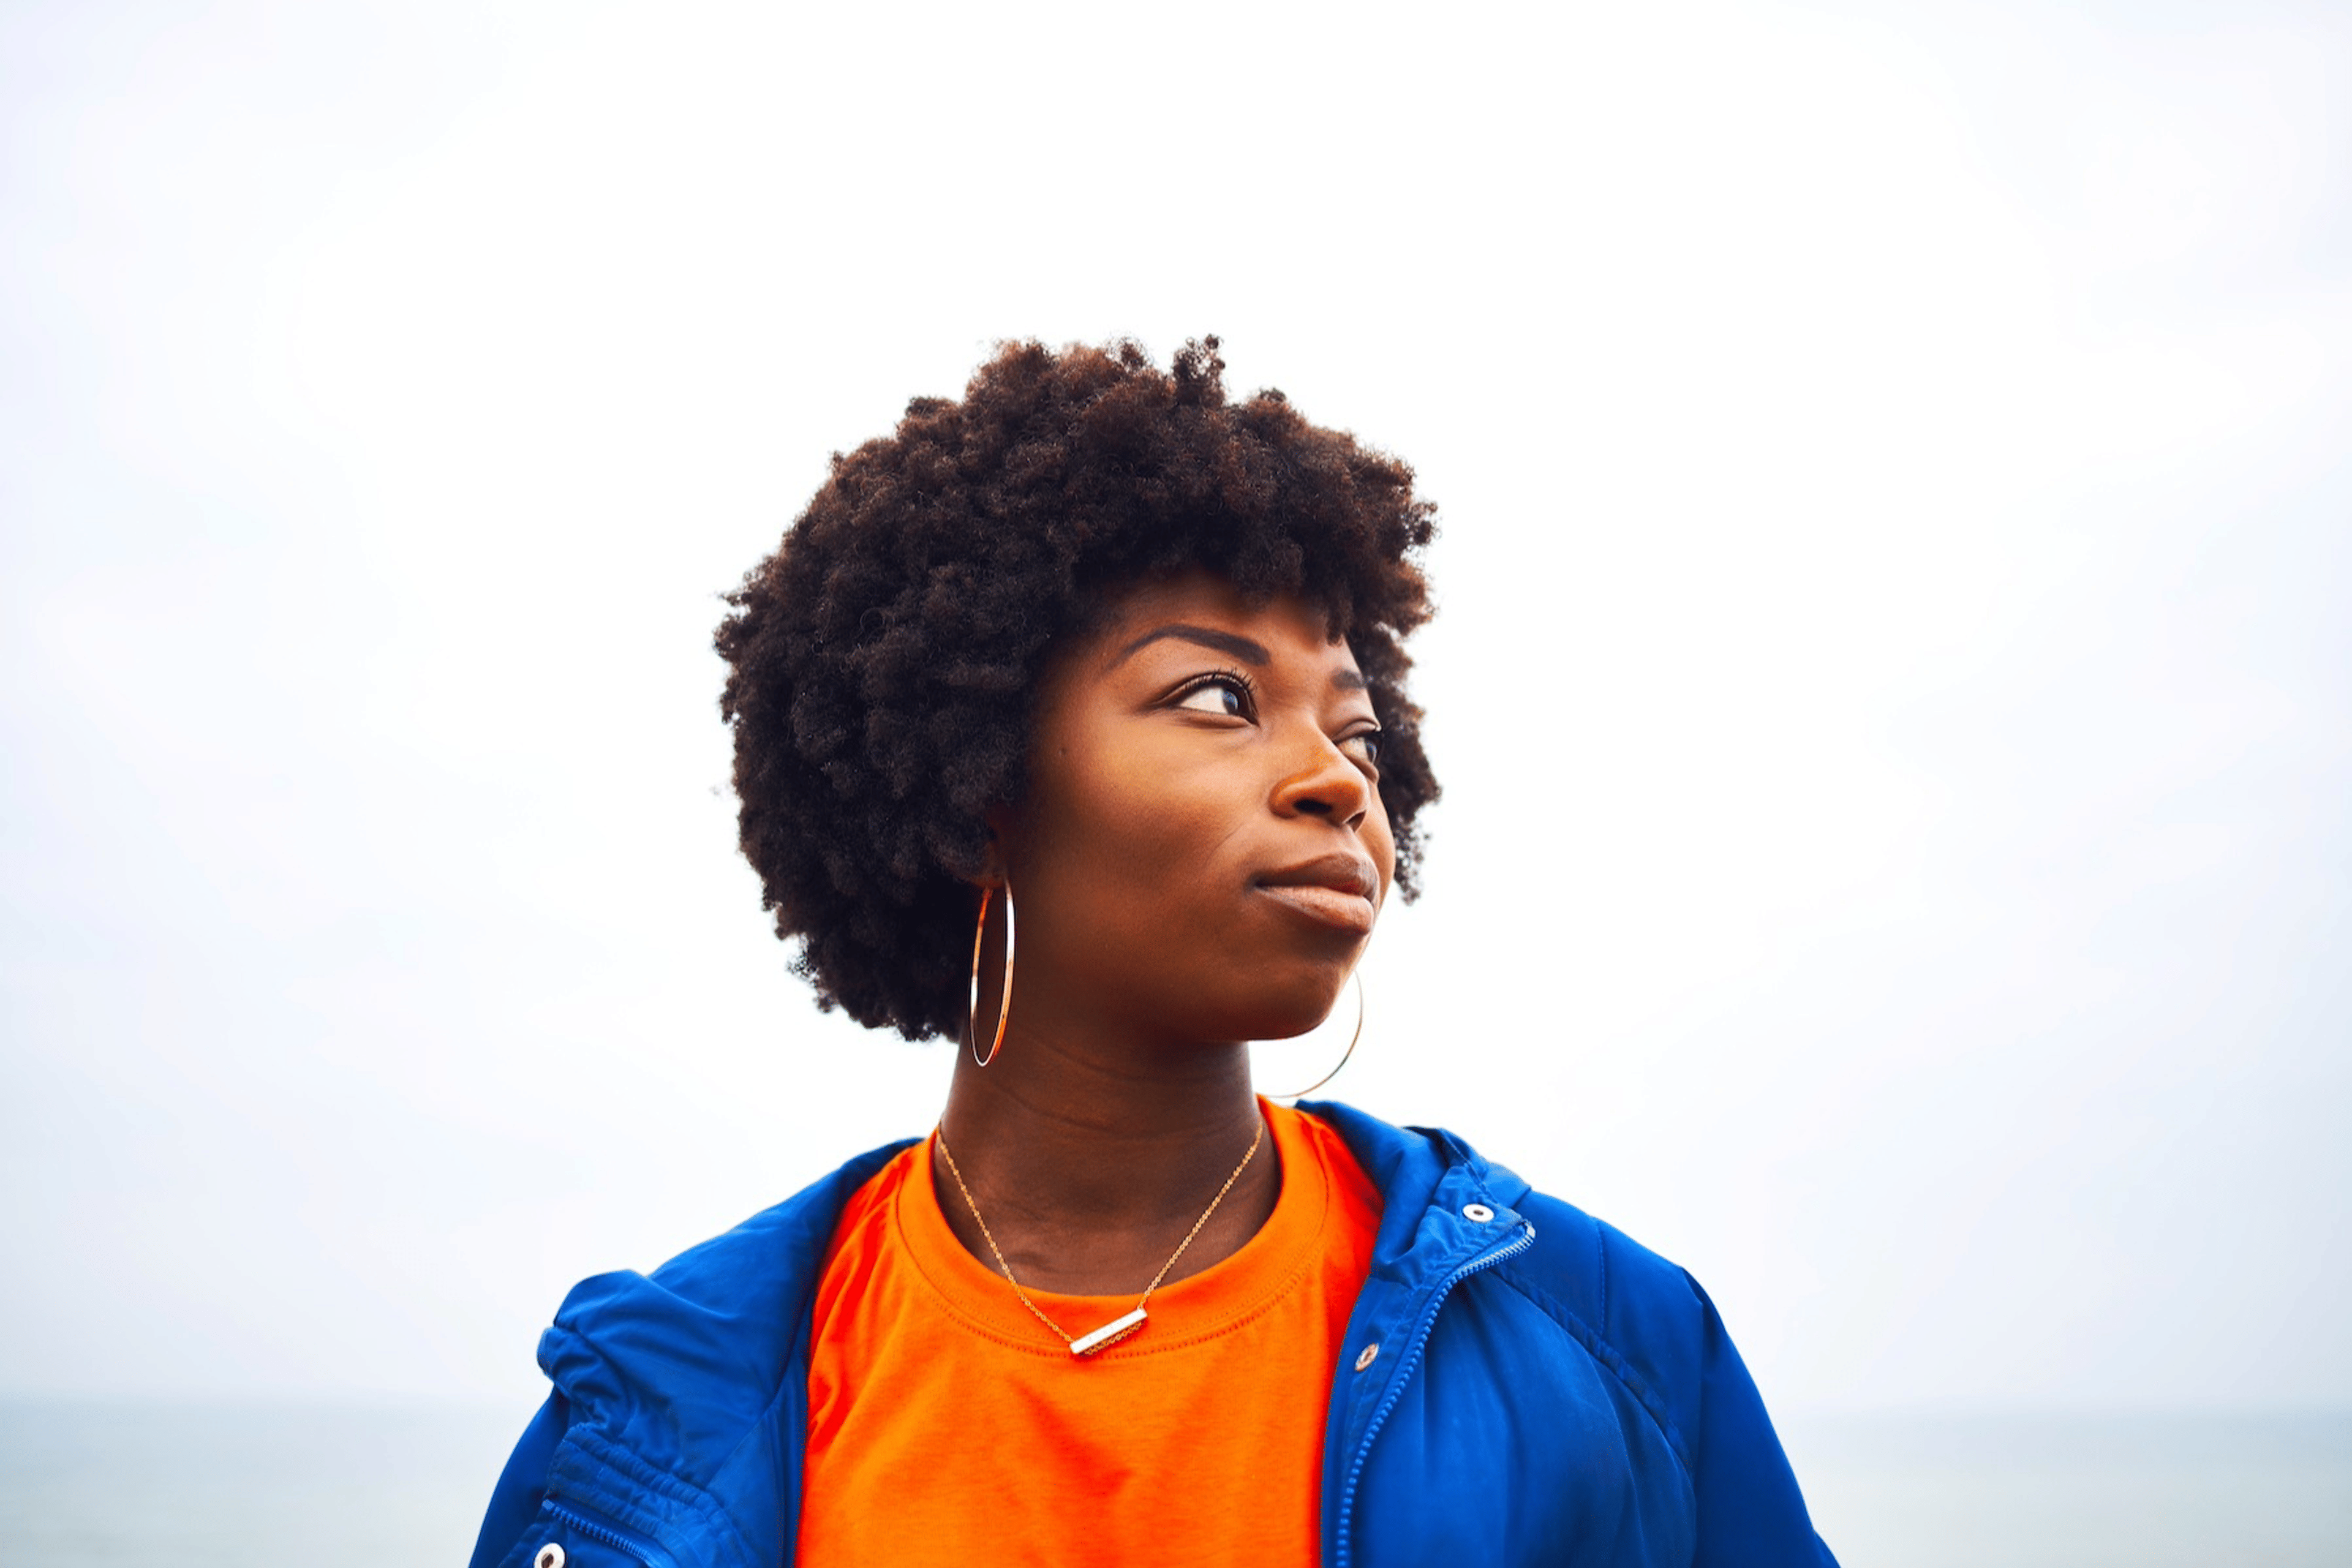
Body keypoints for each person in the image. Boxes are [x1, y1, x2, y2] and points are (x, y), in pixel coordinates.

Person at [467, 337, 1838, 1568]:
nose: (1338, 781)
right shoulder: (651, 1412)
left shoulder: (1615, 1346)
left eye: (1358, 732)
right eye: (1219, 697)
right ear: (976, 786)